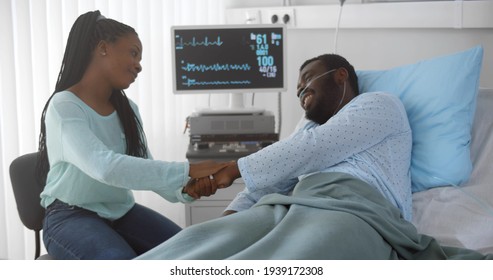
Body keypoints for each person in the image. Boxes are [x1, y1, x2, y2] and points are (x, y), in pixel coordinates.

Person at [36, 10, 226, 260]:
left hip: (121, 212)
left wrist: (186, 189)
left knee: (194, 252)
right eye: (133, 53)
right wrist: (189, 170)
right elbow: (104, 166)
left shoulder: (128, 110)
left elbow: (145, 165)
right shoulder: (64, 106)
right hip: (70, 215)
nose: (139, 65)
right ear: (103, 48)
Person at [214, 53, 413, 221]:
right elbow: (272, 182)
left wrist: (234, 169)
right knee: (201, 241)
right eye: (298, 90)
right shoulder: (310, 129)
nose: (301, 91)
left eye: (307, 79)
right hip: (304, 205)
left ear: (340, 75)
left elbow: (315, 146)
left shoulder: (378, 104)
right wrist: (226, 224)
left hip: (359, 207)